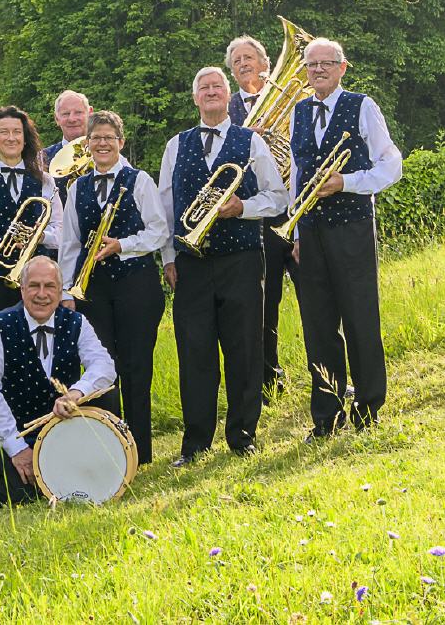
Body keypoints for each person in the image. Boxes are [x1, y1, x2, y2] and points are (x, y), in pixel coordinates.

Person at [158, 67, 287, 464]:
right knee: (194, 353)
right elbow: (165, 208)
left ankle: (243, 436)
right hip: (192, 263)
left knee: (244, 349)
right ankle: (196, 444)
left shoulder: (251, 141)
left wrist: (243, 207)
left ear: (228, 95)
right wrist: (168, 257)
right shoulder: (175, 145)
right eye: (204, 88)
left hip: (242, 260)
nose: (211, 93)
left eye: (217, 87)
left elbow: (278, 197)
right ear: (195, 97)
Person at [290, 37, 402, 439]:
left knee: (359, 318)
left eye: (327, 63)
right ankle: (327, 414)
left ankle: (368, 407)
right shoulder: (299, 111)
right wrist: (296, 228)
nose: (318, 70)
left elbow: (392, 165)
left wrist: (347, 182)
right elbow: (297, 174)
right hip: (312, 231)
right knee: (318, 324)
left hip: (352, 227)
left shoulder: (363, 105)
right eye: (311, 64)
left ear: (342, 67)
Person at [59, 110, 168, 464]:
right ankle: (110, 448)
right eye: (95, 138)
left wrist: (121, 244)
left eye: (108, 137)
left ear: (120, 142)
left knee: (137, 366)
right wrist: (66, 291)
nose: (102, 143)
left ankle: (141, 451)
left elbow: (159, 231)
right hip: (93, 291)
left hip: (136, 284)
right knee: (102, 367)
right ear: (86, 145)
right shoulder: (77, 188)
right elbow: (70, 244)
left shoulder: (139, 181)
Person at [0, 255, 115, 504]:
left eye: (49, 286)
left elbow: (104, 366)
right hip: (14, 433)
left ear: (60, 291)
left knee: (76, 489)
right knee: (16, 496)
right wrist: (18, 450)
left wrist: (75, 393)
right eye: (34, 286)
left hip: (63, 430)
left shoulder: (77, 323)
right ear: (22, 289)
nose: (41, 294)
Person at [225, 34, 298, 398]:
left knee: (317, 295)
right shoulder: (227, 108)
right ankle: (270, 377)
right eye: (236, 60)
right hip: (259, 216)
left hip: (298, 211)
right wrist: (245, 140)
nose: (243, 64)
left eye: (248, 57)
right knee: (265, 302)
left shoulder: (291, 99)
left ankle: (331, 375)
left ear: (265, 63)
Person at [0, 107, 61, 326]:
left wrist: (38, 236)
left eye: (17, 132)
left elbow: (61, 233)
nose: (11, 138)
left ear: (26, 139)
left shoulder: (46, 181)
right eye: (4, 132)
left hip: (39, 283)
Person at [42, 89, 91, 204]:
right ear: (56, 119)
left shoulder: (106, 152)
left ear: (90, 113)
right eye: (66, 114)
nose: (72, 119)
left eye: (78, 112)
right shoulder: (42, 158)